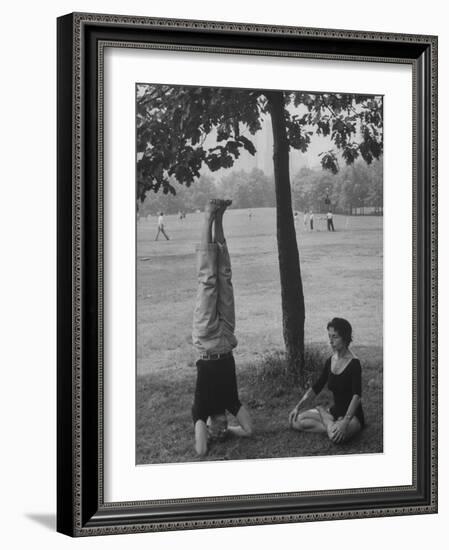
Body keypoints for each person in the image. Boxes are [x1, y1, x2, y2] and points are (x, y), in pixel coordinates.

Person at [191, 199, 253, 456]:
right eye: (226, 427)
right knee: (225, 277)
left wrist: (209, 434)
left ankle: (208, 215)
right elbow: (249, 430)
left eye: (219, 429)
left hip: (206, 339)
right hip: (226, 336)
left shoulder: (201, 409)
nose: (223, 427)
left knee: (208, 280)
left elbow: (201, 451)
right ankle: (220, 218)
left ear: (208, 427)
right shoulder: (230, 402)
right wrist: (231, 432)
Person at [288, 317, 364, 444]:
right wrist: (298, 407)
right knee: (295, 421)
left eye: (335, 337)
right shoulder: (330, 361)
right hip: (334, 411)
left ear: (345, 338)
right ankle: (331, 424)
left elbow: (357, 396)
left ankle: (324, 415)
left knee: (336, 438)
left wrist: (345, 422)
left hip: (352, 416)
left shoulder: (354, 363)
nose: (331, 341)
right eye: (329, 336)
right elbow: (316, 387)